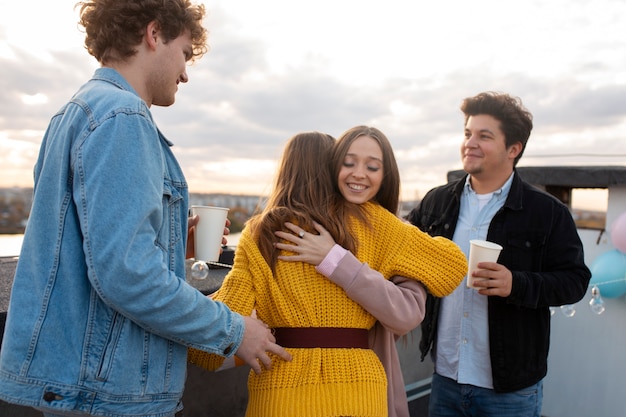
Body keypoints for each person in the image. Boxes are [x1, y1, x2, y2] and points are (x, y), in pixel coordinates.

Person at [0, 1, 289, 416]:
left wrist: (174, 245)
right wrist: (234, 330)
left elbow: (87, 248)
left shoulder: (74, 112)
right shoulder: (124, 116)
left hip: (79, 385)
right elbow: (127, 274)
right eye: (185, 54)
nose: (186, 73)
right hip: (111, 394)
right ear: (154, 35)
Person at [188, 129, 467, 417]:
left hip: (281, 390)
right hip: (360, 390)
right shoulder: (375, 223)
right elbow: (452, 266)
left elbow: (208, 348)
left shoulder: (259, 234)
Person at [407, 91, 592, 417]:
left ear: (513, 149)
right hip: (445, 379)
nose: (470, 143)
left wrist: (515, 284)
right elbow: (403, 251)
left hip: (510, 391)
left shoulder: (547, 212)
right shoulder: (436, 202)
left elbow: (575, 281)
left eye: (484, 136)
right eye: (467, 134)